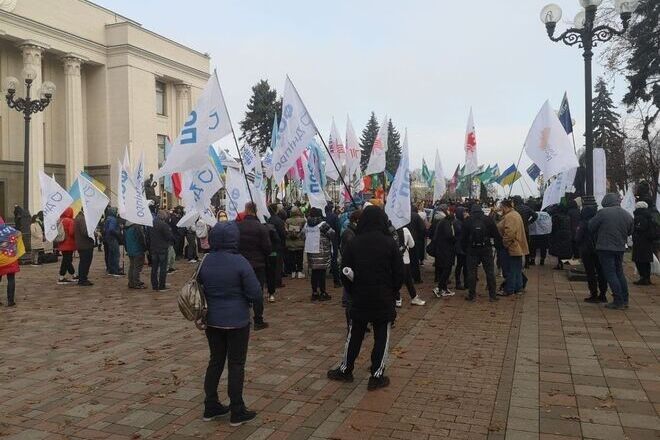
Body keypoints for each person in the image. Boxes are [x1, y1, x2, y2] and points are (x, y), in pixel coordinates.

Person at [327, 206, 403, 390]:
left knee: (354, 335)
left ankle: (346, 369)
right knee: (382, 336)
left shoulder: (355, 242)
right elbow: (399, 273)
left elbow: (345, 271)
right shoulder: (389, 243)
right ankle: (377, 375)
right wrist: (393, 291)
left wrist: (352, 290)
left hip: (360, 297)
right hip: (383, 297)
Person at [198, 221, 262, 426]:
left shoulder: (205, 261)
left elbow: (199, 287)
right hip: (237, 320)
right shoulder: (240, 262)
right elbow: (255, 293)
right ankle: (237, 409)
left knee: (215, 360)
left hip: (212, 320)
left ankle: (210, 405)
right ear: (235, 238)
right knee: (236, 364)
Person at [589, 193, 634, 309]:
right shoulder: (627, 214)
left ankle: (618, 300)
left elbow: (591, 226)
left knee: (610, 273)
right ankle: (625, 300)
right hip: (620, 248)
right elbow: (630, 231)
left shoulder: (602, 213)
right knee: (619, 272)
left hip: (605, 247)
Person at [237, 202, 272, 330]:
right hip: (258, 264)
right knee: (257, 292)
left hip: (242, 264)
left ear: (246, 210)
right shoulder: (261, 228)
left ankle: (242, 318)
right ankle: (258, 320)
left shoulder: (238, 227)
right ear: (256, 211)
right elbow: (267, 248)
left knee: (242, 291)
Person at [463, 204, 501, 302]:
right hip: (486, 248)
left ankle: (472, 295)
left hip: (472, 249)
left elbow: (463, 237)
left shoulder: (468, 220)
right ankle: (492, 295)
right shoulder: (488, 219)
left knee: (472, 273)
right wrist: (497, 245)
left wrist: (465, 248)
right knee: (490, 272)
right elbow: (496, 234)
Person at [575, 206, 608, 303]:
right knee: (601, 272)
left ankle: (593, 294)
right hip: (599, 249)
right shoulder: (599, 222)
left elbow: (578, 237)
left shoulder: (583, 223)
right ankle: (603, 294)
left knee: (590, 272)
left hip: (586, 250)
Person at [498, 199, 528, 295]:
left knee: (510, 269)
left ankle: (509, 289)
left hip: (512, 247)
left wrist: (505, 243)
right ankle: (518, 288)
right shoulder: (515, 214)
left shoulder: (510, 216)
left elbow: (510, 232)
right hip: (516, 247)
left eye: (501, 207)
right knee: (516, 269)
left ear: (504, 207)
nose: (500, 209)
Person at [304, 207, 335, 302]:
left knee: (314, 273)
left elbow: (302, 235)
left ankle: (314, 292)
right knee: (321, 273)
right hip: (322, 251)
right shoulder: (323, 224)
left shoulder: (307, 225)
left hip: (311, 251)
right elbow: (332, 233)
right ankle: (323, 292)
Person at [395, 224, 426, 307]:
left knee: (394, 280)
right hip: (405, 259)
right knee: (408, 280)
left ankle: (397, 299)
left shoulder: (388, 230)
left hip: (393, 260)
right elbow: (412, 245)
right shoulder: (405, 230)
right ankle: (413, 297)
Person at [340, 209, 361, 328]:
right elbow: (348, 251)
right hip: (350, 267)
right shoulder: (349, 233)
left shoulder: (353, 231)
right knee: (350, 298)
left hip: (353, 266)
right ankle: (352, 324)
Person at [432, 204, 456, 298]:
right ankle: (439, 288)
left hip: (441, 249)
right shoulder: (446, 223)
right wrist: (455, 239)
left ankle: (444, 289)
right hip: (445, 250)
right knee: (447, 269)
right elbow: (449, 236)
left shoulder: (442, 222)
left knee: (444, 269)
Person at [632, 201, 657, 286]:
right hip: (648, 241)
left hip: (640, 241)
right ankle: (647, 278)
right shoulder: (649, 215)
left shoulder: (639, 216)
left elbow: (640, 228)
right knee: (646, 261)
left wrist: (634, 229)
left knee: (639, 260)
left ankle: (643, 278)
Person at [149, 210, 175, 291]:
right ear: (162, 216)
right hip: (162, 248)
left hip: (153, 248)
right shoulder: (164, 225)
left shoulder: (151, 224)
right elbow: (169, 236)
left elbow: (147, 236)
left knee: (154, 268)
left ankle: (154, 285)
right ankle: (161, 285)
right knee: (163, 268)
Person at [0, 216, 22, 307]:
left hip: (1, 260)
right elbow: (19, 234)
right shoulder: (10, 229)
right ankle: (10, 301)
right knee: (11, 279)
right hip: (10, 258)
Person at [512, 196, 538, 267]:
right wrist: (529, 222)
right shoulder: (527, 208)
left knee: (517, 246)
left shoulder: (514, 209)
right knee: (526, 245)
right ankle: (527, 262)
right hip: (525, 228)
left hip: (516, 229)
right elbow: (535, 215)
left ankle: (518, 263)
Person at [74, 210, 95, 286]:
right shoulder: (82, 219)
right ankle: (83, 279)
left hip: (82, 244)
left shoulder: (79, 217)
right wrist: (93, 233)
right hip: (85, 244)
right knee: (85, 262)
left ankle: (82, 278)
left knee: (83, 262)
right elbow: (85, 232)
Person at [57, 208, 77, 284]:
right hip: (69, 243)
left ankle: (63, 276)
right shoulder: (70, 221)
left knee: (66, 260)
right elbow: (72, 232)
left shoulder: (60, 220)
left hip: (62, 243)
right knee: (67, 260)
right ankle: (70, 275)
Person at [285, 206, 306, 278]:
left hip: (290, 242)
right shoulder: (302, 220)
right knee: (299, 258)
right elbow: (304, 231)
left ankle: (293, 272)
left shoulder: (287, 221)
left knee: (291, 258)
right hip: (300, 242)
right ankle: (299, 272)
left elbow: (286, 230)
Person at [549, 204, 572, 270]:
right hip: (567, 234)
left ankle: (559, 264)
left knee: (559, 250)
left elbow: (554, 227)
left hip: (559, 234)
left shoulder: (556, 216)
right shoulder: (567, 216)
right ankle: (562, 263)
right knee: (564, 249)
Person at [124, 221, 146, 289]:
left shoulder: (127, 228)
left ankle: (131, 282)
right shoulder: (137, 227)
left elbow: (124, 240)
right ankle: (136, 282)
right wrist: (145, 248)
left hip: (130, 250)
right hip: (138, 250)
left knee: (132, 267)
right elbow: (141, 239)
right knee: (137, 267)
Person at [409, 205, 426, 283]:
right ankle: (416, 278)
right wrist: (420, 238)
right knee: (414, 260)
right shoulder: (416, 216)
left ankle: (405, 277)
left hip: (404, 241)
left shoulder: (403, 216)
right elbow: (422, 228)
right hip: (415, 240)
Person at [453, 206, 468, 290]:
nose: (465, 213)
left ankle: (466, 282)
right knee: (460, 265)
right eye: (463, 212)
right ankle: (458, 282)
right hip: (460, 246)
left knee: (465, 265)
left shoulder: (461, 221)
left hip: (463, 246)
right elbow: (461, 232)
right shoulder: (457, 222)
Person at [103, 207, 122, 276]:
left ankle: (111, 269)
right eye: (116, 211)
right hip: (113, 238)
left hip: (108, 238)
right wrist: (118, 233)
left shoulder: (108, 218)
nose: (117, 213)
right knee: (116, 254)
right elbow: (111, 229)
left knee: (111, 254)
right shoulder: (113, 219)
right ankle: (115, 270)